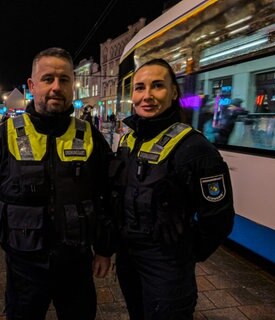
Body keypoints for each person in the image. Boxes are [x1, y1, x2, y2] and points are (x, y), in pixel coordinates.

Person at [0, 47, 115, 320]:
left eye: (64, 79)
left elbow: (108, 195)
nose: (56, 87)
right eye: (48, 79)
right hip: (24, 268)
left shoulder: (89, 135)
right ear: (32, 86)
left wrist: (105, 249)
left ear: (73, 86)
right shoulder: (4, 135)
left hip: (77, 265)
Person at [110, 58, 235, 319]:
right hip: (129, 259)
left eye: (157, 86)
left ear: (174, 92)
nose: (147, 96)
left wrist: (185, 255)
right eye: (140, 88)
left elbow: (218, 218)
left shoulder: (195, 149)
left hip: (167, 267)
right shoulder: (127, 141)